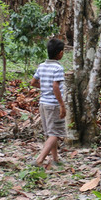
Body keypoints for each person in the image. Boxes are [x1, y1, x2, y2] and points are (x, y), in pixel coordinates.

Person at [33, 38, 66, 167]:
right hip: (53, 105)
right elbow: (55, 87)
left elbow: (33, 82)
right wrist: (62, 105)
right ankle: (40, 159)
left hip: (43, 104)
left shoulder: (42, 66)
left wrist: (44, 87)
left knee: (50, 133)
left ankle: (55, 159)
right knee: (55, 134)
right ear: (60, 53)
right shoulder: (58, 68)